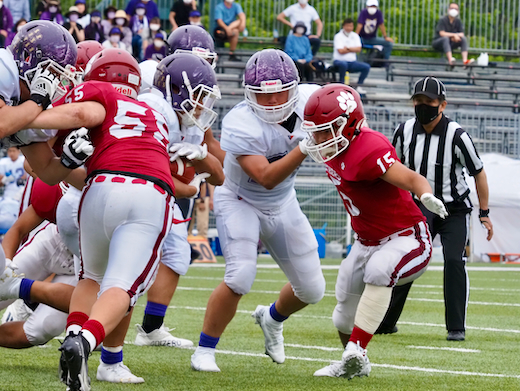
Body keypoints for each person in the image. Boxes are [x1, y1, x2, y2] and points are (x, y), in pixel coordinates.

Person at [24, 48, 174, 391]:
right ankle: (86, 342)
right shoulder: (155, 114)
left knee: (89, 277)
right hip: (148, 192)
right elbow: (84, 111)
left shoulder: (99, 95)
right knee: (121, 286)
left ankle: (74, 333)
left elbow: (51, 167)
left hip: (98, 188)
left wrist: (21, 121)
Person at [299, 83, 448, 379]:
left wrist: (426, 195)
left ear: (349, 124)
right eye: (316, 130)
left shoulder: (369, 147)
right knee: (342, 313)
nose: (319, 138)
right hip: (366, 241)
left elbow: (412, 178)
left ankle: (358, 349)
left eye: (327, 130)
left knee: (380, 270)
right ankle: (352, 362)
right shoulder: (332, 146)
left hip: (406, 237)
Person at [190, 49, 326, 373]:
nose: (274, 101)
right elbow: (265, 177)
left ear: (295, 87)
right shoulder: (241, 121)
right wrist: (305, 147)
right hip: (241, 200)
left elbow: (348, 112)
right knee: (239, 276)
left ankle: (271, 318)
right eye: (264, 95)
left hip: (284, 201)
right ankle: (205, 349)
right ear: (249, 95)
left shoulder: (312, 100)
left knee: (312, 289)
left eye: (281, 92)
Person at [377, 76, 493, 342]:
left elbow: (479, 173)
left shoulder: (457, 135)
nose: (422, 106)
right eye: (418, 101)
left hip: (453, 209)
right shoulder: (403, 131)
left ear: (442, 105)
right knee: (407, 261)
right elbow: (390, 169)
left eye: (428, 101)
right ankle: (386, 321)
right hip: (418, 207)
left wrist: (484, 213)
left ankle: (456, 327)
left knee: (454, 260)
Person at [134, 52, 224, 349]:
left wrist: (200, 159)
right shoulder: (154, 109)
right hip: (132, 188)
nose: (203, 104)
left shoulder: (183, 118)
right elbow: (141, 166)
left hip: (159, 194)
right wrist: (187, 188)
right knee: (124, 266)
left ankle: (150, 328)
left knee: (176, 254)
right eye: (199, 95)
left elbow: (219, 175)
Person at [333, 18, 370, 95]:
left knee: (366, 67)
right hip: (339, 61)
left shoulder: (355, 36)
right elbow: (340, 51)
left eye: (351, 26)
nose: (349, 28)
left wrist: (347, 48)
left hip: (352, 62)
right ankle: (341, 85)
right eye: (347, 26)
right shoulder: (338, 36)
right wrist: (352, 49)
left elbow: (359, 49)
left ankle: (359, 86)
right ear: (343, 26)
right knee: (343, 65)